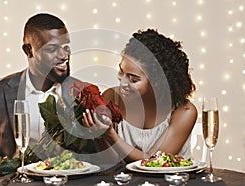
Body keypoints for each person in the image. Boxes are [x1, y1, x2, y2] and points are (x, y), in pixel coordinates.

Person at [0, 13, 75, 185]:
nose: (63, 55)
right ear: (29, 50)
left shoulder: (80, 92)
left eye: (66, 46)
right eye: (52, 49)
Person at [83, 29, 197, 162]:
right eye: (121, 72)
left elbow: (153, 162)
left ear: (157, 83)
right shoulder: (112, 98)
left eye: (133, 79)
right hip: (125, 181)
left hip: (173, 182)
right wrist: (101, 135)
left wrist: (112, 136)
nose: (123, 83)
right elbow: (111, 165)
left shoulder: (184, 112)